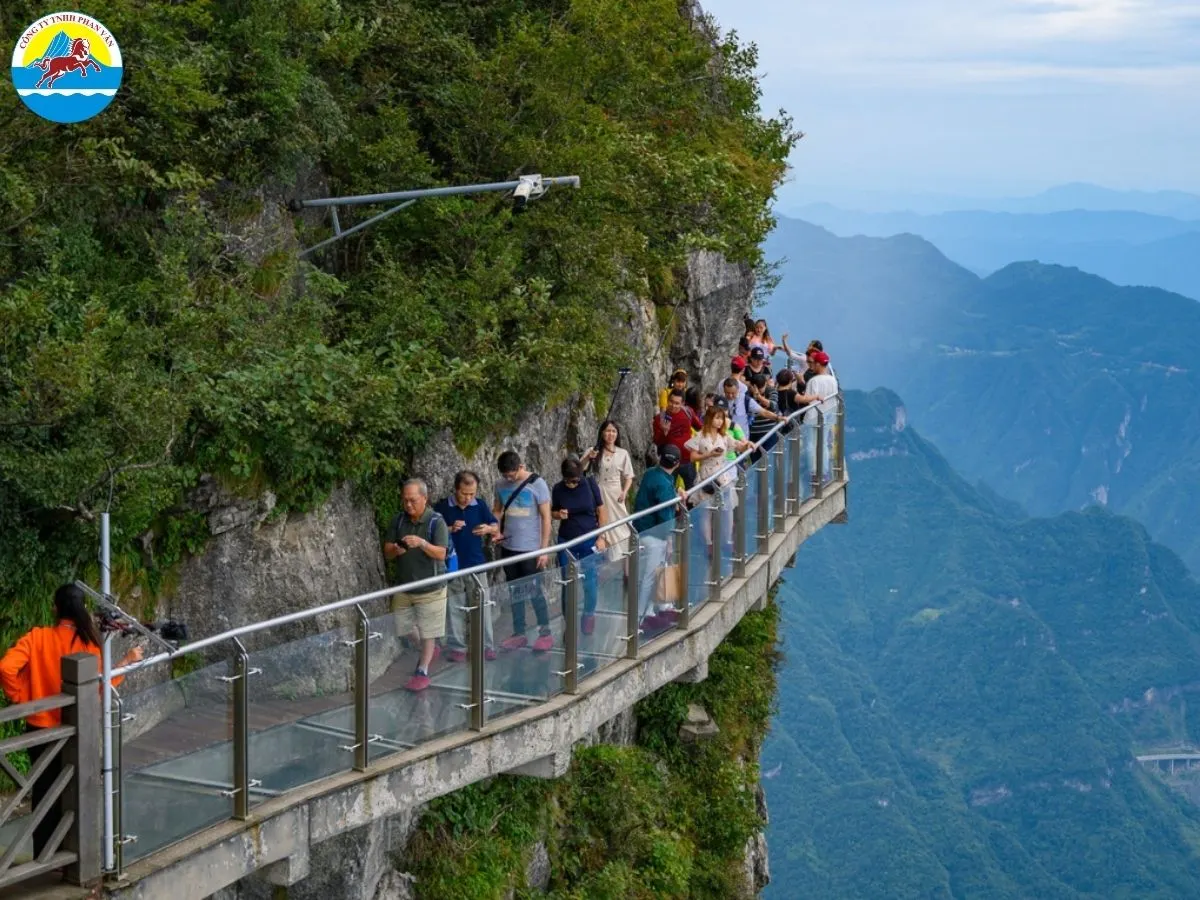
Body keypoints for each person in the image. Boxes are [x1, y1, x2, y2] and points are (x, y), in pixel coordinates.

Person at [0, 584, 142, 857]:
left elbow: (6, 668)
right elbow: (101, 687)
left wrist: (21, 695)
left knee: (43, 794)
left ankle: (44, 855)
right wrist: (127, 661)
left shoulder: (37, 637)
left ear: (55, 609)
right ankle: (73, 856)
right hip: (77, 730)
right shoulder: (88, 643)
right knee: (76, 790)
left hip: (40, 729)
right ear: (81, 610)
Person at [384, 478, 451, 691]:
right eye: (405, 501)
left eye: (413, 500)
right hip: (404, 586)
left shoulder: (436, 522)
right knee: (402, 627)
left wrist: (422, 543)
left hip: (431, 587)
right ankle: (427, 649)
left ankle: (422, 669)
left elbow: (442, 554)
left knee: (428, 630)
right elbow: (387, 552)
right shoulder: (398, 521)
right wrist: (396, 549)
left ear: (424, 498)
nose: (408, 505)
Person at [434, 471, 500, 663]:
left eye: (471, 493)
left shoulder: (479, 505)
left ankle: (487, 646)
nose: (468, 498)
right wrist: (449, 529)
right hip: (453, 564)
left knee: (483, 605)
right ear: (456, 489)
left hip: (476, 563)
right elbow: (432, 531)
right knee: (454, 606)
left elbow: (495, 525)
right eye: (464, 493)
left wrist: (487, 529)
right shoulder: (443, 507)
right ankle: (458, 647)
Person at [492, 451, 554, 653]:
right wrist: (496, 530)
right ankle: (519, 633)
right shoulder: (500, 485)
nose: (508, 479)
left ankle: (545, 632)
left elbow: (546, 518)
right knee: (515, 591)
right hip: (509, 547)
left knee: (534, 590)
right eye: (505, 475)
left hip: (531, 549)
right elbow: (498, 510)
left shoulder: (538, 484)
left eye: (511, 475)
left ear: (520, 467)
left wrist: (543, 550)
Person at [551, 457, 609, 635]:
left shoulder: (589, 484)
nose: (572, 485)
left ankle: (589, 615)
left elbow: (601, 510)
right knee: (567, 582)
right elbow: (553, 512)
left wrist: (601, 536)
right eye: (568, 481)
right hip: (566, 540)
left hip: (589, 539)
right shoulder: (558, 489)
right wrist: (559, 515)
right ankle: (569, 621)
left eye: (575, 481)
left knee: (590, 580)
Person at [632, 444, 687, 627]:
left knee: (660, 569)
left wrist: (676, 493)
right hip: (655, 535)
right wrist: (669, 540)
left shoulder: (651, 473)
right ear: (677, 463)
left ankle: (661, 607)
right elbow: (665, 517)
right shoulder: (664, 484)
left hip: (641, 529)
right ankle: (640, 616)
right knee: (651, 575)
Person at [686, 406, 753, 553]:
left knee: (727, 509)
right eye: (716, 418)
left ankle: (726, 540)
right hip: (706, 473)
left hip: (722, 474)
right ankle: (708, 543)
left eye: (721, 418)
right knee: (706, 510)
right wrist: (708, 455)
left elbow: (737, 445)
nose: (719, 421)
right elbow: (692, 456)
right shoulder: (700, 436)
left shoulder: (724, 436)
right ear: (710, 418)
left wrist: (747, 445)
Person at [581, 420, 635, 559]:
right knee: (599, 521)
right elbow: (580, 468)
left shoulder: (623, 453)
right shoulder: (593, 450)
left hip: (616, 493)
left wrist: (625, 491)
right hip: (597, 492)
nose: (611, 434)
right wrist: (589, 457)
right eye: (608, 431)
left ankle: (623, 558)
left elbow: (629, 476)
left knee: (621, 525)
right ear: (602, 433)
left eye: (613, 431)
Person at [796, 350, 840, 481]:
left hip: (814, 416)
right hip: (828, 415)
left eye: (814, 363)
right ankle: (825, 472)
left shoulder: (814, 381)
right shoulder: (833, 380)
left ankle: (814, 472)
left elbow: (809, 400)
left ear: (819, 364)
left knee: (811, 444)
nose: (812, 366)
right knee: (823, 443)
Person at [652, 388, 702, 490]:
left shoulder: (688, 412)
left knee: (693, 490)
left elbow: (700, 427)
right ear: (668, 400)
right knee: (669, 491)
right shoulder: (659, 419)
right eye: (671, 402)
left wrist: (697, 445)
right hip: (669, 462)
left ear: (682, 403)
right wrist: (664, 431)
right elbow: (656, 441)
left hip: (687, 459)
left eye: (677, 403)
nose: (673, 405)